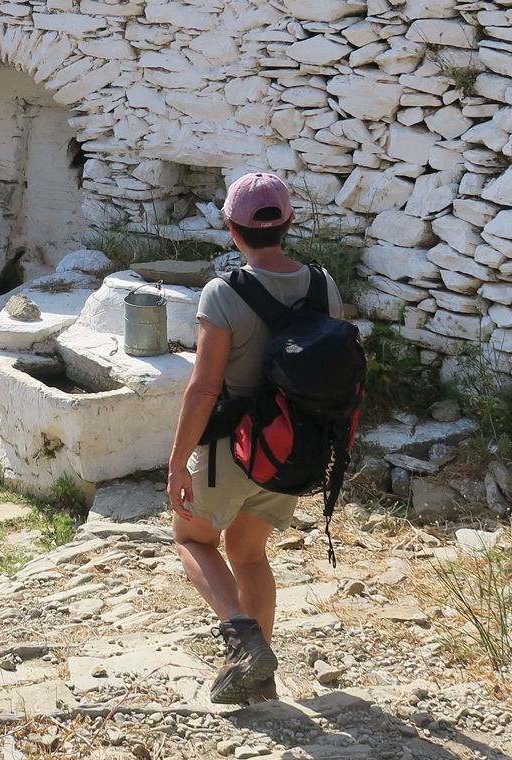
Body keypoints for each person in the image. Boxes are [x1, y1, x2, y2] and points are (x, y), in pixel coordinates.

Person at [164, 172, 344, 705]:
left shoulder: (225, 292)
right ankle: (258, 681)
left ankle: (243, 643)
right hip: (295, 450)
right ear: (288, 223)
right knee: (248, 553)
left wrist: (176, 464)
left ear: (230, 227)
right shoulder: (323, 285)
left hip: (232, 452)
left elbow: (203, 389)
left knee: (191, 539)